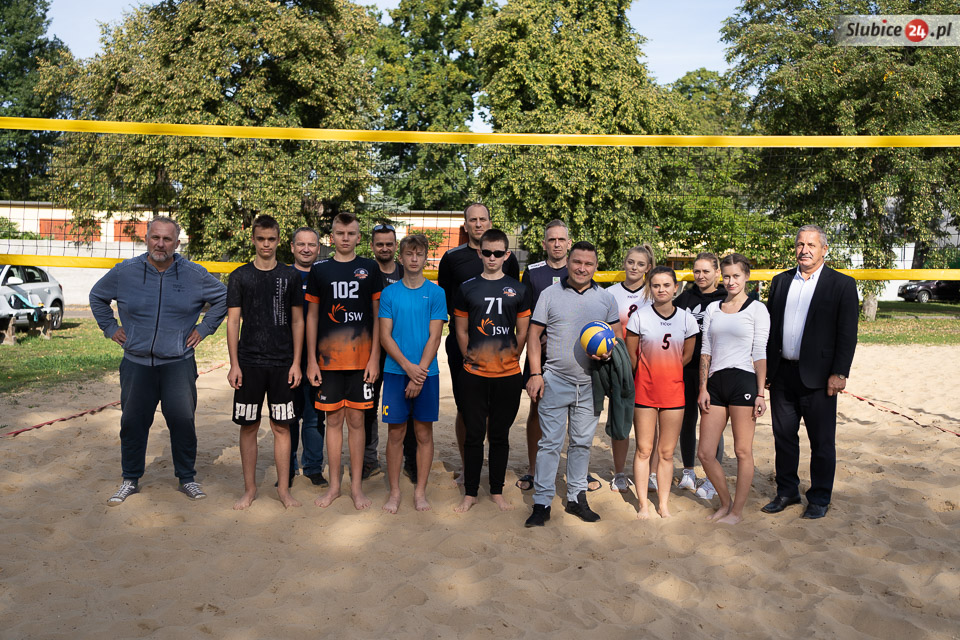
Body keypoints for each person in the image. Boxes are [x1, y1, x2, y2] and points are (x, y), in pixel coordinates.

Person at [90, 216, 227, 505]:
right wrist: (111, 328)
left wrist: (204, 329)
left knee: (183, 421)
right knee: (133, 423)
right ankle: (130, 479)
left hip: (178, 362)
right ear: (146, 239)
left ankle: (187, 478)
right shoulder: (125, 271)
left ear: (177, 243)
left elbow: (224, 298)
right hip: (136, 363)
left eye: (167, 239)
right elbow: (97, 296)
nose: (161, 244)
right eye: (156, 237)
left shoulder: (194, 274)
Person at [762, 225, 858, 520]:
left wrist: (839, 373)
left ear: (824, 250)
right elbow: (770, 329)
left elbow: (847, 334)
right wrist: (767, 370)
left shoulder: (841, 284)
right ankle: (787, 492)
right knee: (783, 437)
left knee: (822, 442)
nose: (804, 250)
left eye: (811, 245)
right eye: (800, 244)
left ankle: (819, 497)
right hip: (782, 374)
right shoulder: (780, 281)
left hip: (820, 377)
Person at [524, 241, 620, 527]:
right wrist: (535, 373)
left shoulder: (606, 299)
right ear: (568, 262)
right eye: (577, 262)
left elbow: (616, 337)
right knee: (549, 444)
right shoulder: (549, 294)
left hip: (591, 383)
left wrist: (608, 352)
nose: (582, 268)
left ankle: (577, 498)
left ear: (596, 266)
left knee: (581, 443)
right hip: (555, 379)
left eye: (588, 264)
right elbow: (533, 335)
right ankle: (542, 502)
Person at [305, 213, 383, 511]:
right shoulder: (319, 269)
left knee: (357, 422)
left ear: (359, 237)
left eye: (351, 233)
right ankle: (335, 486)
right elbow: (312, 317)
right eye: (340, 233)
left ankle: (356, 488)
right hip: (328, 362)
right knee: (333, 421)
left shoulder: (369, 268)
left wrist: (374, 358)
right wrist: (312, 361)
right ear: (331, 237)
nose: (346, 238)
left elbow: (378, 316)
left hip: (361, 361)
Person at [437, 203, 520, 482]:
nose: (478, 223)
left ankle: (492, 469)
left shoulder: (507, 258)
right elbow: (446, 300)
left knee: (496, 413)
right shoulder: (452, 258)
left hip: (499, 348)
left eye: (482, 219)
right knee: (466, 408)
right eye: (472, 220)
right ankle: (467, 467)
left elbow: (513, 302)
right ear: (465, 225)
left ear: (489, 222)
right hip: (463, 345)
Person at [227, 215, 304, 510]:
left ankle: (284, 490)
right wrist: (234, 364)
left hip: (283, 363)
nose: (266, 244)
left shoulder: (290, 276)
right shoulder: (240, 276)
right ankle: (249, 490)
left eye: (271, 239)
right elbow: (233, 322)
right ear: (253, 239)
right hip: (249, 363)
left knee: (282, 426)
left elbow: (297, 321)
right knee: (249, 426)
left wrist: (296, 363)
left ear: (279, 240)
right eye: (261, 239)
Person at [453, 229, 531, 513]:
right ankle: (471, 492)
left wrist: (512, 356)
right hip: (474, 374)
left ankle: (496, 491)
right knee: (474, 435)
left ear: (506, 255)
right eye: (487, 252)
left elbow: (522, 332)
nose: (492, 257)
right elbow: (461, 330)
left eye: (498, 253)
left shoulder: (518, 289)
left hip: (507, 375)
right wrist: (470, 357)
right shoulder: (467, 288)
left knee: (499, 435)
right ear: (480, 253)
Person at [697, 254, 770, 525]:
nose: (731, 281)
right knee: (705, 453)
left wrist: (761, 393)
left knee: (742, 451)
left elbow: (759, 353)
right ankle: (725, 503)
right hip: (715, 384)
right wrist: (703, 388)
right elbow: (706, 350)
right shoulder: (713, 308)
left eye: (736, 276)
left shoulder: (757, 309)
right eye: (726, 276)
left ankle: (737, 512)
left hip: (743, 383)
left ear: (746, 277)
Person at [379, 234, 447, 513]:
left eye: (419, 254)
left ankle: (420, 492)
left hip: (427, 373)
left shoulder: (437, 293)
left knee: (423, 433)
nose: (414, 258)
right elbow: (385, 336)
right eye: (409, 254)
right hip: (396, 372)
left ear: (426, 257)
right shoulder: (389, 293)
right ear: (401, 257)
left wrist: (419, 374)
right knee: (395, 434)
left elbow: (435, 337)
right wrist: (409, 369)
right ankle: (395, 492)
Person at [625, 266, 698, 519]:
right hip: (644, 391)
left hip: (673, 392)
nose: (661, 290)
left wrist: (668, 371)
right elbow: (632, 356)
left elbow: (687, 356)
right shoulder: (639, 317)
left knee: (666, 453)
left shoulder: (687, 319)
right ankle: (643, 504)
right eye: (656, 285)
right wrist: (648, 374)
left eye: (667, 285)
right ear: (650, 288)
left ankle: (663, 504)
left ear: (675, 288)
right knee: (644, 450)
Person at [517, 219, 570, 492]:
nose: (557, 244)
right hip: (540, 352)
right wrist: (536, 339)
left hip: (571, 354)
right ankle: (533, 469)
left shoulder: (579, 270)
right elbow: (525, 315)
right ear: (544, 244)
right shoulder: (533, 272)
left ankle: (574, 473)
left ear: (569, 243)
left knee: (575, 412)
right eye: (552, 240)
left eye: (561, 240)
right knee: (536, 408)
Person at [673, 252, 727, 499]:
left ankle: (712, 477)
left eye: (706, 271)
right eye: (697, 271)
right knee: (687, 420)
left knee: (712, 422)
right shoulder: (685, 298)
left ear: (717, 272)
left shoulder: (725, 298)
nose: (701, 276)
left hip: (715, 370)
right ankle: (688, 471)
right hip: (686, 368)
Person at [367, 223, 418, 482]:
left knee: (408, 409)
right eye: (380, 244)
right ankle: (369, 460)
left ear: (396, 246)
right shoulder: (365, 272)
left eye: (389, 244)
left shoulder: (405, 271)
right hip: (372, 353)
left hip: (403, 355)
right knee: (368, 407)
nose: (384, 248)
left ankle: (411, 461)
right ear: (372, 246)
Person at [604, 244, 654, 493]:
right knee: (621, 420)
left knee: (649, 423)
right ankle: (620, 473)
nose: (634, 267)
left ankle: (651, 473)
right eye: (631, 262)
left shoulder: (654, 293)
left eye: (640, 264)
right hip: (620, 366)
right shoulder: (610, 293)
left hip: (649, 366)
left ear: (648, 268)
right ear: (624, 262)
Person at [289, 227, 327, 488]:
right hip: (288, 358)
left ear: (318, 248)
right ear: (292, 247)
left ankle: (313, 467)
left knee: (314, 418)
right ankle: (289, 466)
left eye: (311, 245)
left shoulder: (325, 276)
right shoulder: (283, 276)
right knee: (288, 416)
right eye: (301, 244)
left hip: (318, 359)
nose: (306, 249)